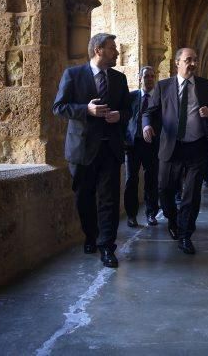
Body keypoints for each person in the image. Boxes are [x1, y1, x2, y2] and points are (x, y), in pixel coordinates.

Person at [52, 33, 129, 269]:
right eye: (112, 48)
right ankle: (91, 236)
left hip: (110, 149)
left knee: (109, 200)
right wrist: (86, 110)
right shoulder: (73, 75)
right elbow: (59, 107)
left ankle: (107, 247)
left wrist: (120, 116)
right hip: (83, 149)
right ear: (98, 50)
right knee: (84, 198)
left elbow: (128, 109)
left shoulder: (119, 78)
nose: (116, 52)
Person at [142, 47, 208, 255]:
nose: (192, 63)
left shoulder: (204, 86)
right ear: (177, 63)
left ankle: (185, 235)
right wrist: (147, 125)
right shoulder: (163, 87)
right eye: (188, 60)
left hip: (196, 146)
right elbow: (149, 111)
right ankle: (173, 221)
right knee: (164, 189)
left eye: (195, 60)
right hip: (171, 147)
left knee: (191, 194)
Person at [124, 66, 160, 227]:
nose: (149, 79)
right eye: (146, 76)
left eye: (152, 76)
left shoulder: (159, 99)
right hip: (132, 144)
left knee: (151, 179)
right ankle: (131, 215)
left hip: (152, 145)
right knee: (131, 179)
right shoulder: (131, 97)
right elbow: (124, 118)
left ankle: (151, 213)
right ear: (140, 78)